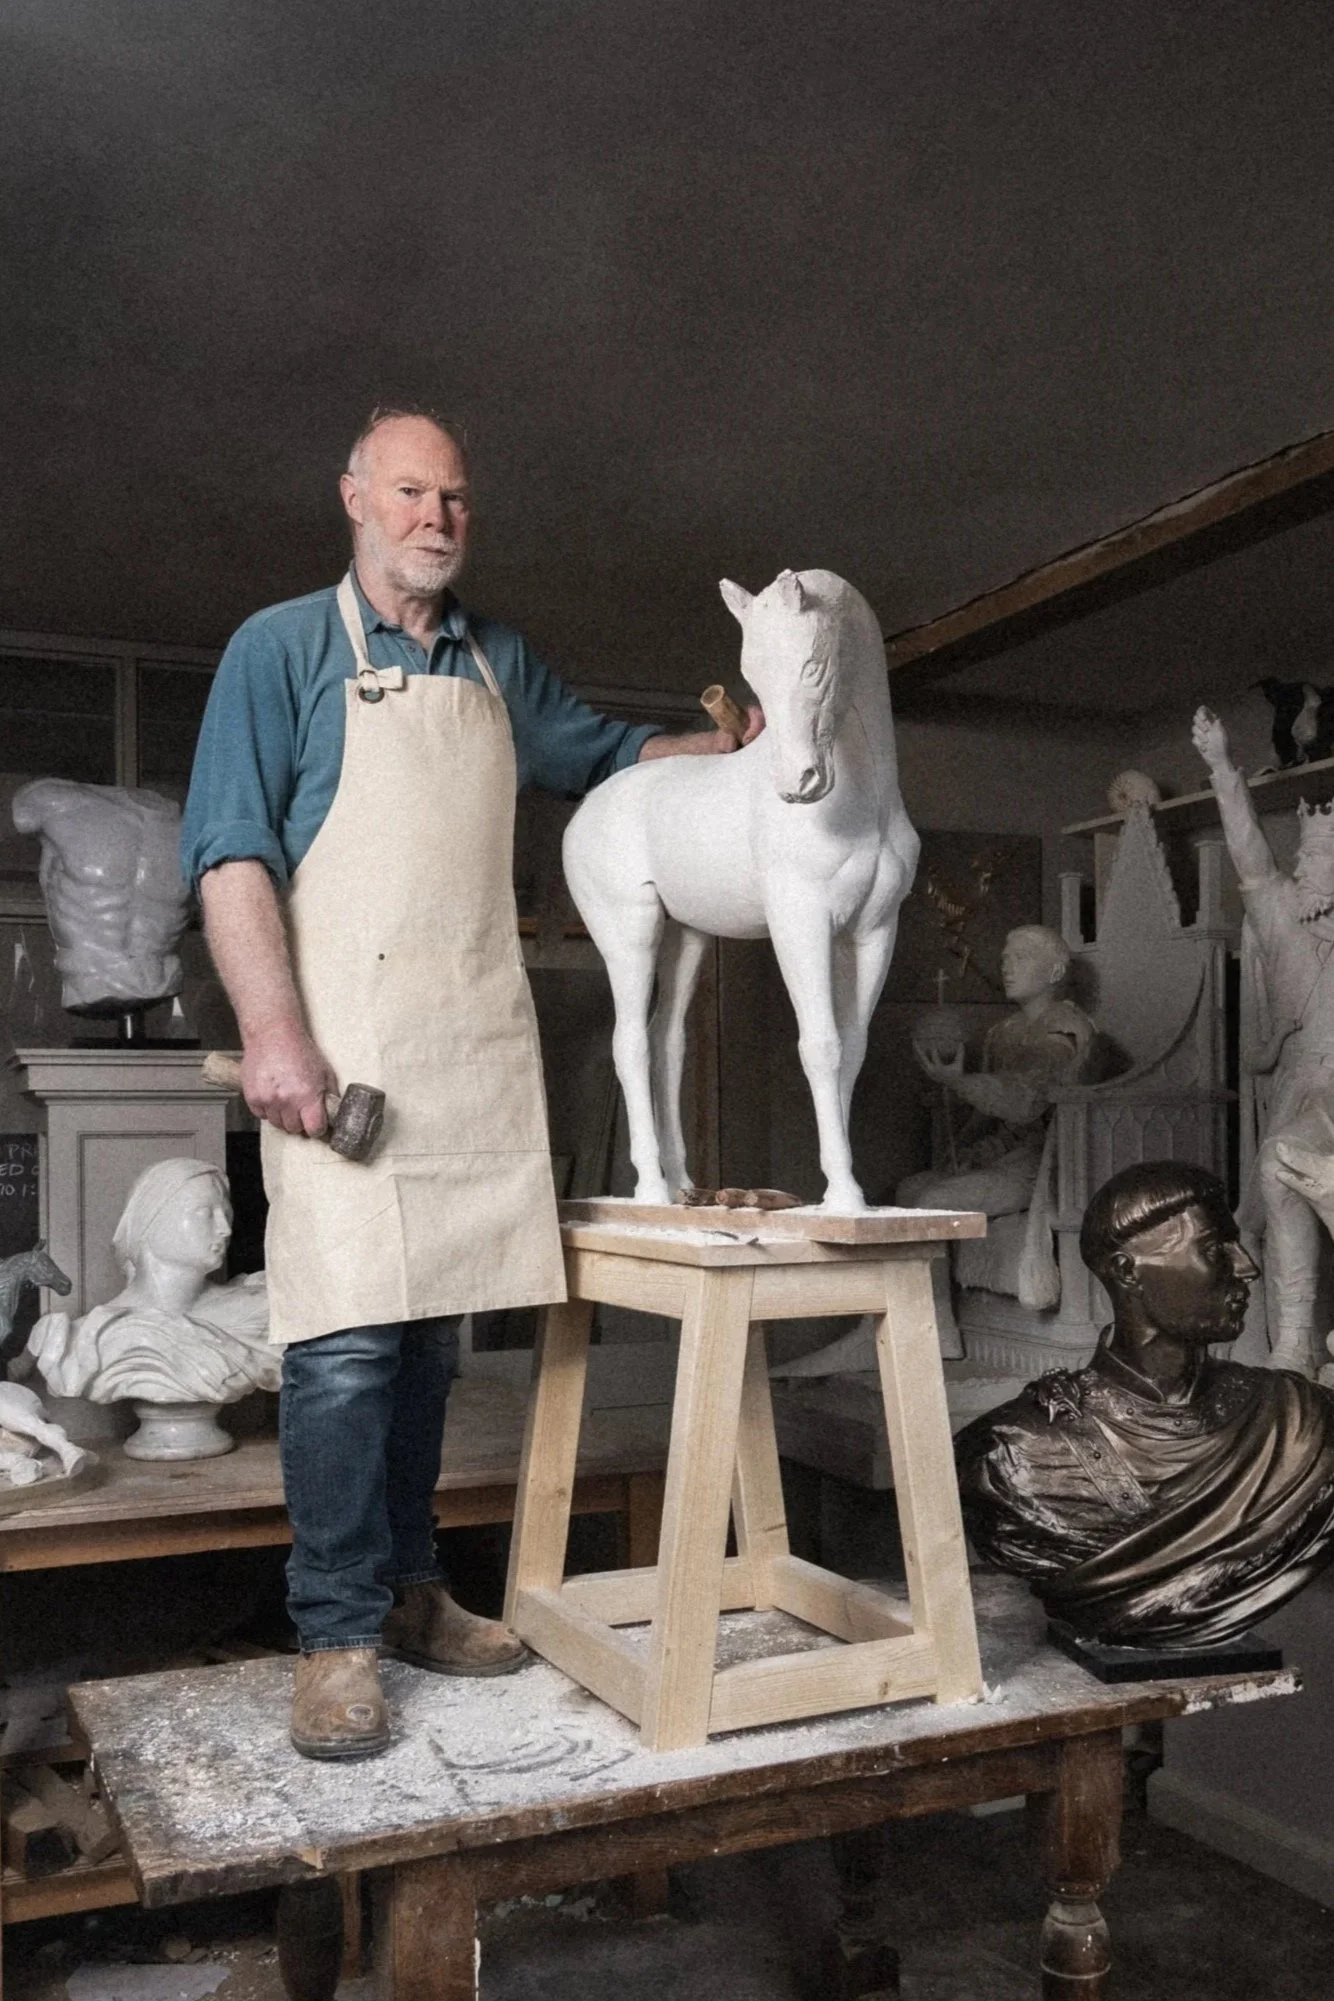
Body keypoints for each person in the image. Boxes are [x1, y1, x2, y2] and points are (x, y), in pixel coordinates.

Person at [181, 405, 762, 1759]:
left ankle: (412, 1593)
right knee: (340, 1354)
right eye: (406, 492)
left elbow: (607, 757)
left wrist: (727, 757)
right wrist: (275, 1034)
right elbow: (229, 858)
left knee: (433, 1349)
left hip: (466, 1052)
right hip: (344, 1057)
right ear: (354, 501)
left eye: (451, 498)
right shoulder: (281, 649)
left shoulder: (498, 661)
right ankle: (331, 1635)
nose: (432, 516)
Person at [955, 1160, 1334, 1651]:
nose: (1247, 1266)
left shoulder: (1300, 1418)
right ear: (1126, 1271)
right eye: (1215, 1249)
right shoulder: (1011, 1456)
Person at [1193, 705, 1334, 1375]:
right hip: (1308, 1091)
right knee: (1280, 1161)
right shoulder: (1283, 921)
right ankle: (1298, 1338)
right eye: (1307, 855)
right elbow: (1249, 852)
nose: (1309, 868)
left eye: (1323, 857)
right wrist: (1223, 769)